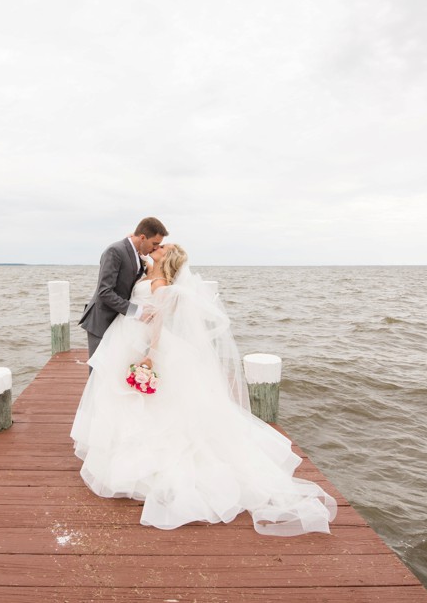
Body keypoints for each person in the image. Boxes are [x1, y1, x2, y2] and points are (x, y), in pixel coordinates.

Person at [71, 244, 337, 536]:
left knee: (149, 404)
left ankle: (141, 458)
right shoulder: (147, 273)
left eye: (162, 247)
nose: (157, 247)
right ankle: (119, 447)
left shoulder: (160, 284)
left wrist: (151, 353)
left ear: (166, 258)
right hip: (128, 338)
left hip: (144, 343)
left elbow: (159, 320)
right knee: (128, 398)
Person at [79, 217, 168, 359]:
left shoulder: (137, 254)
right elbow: (105, 292)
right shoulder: (115, 251)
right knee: (99, 373)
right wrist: (138, 312)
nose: (156, 248)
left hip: (121, 324)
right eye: (155, 243)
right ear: (143, 237)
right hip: (103, 321)